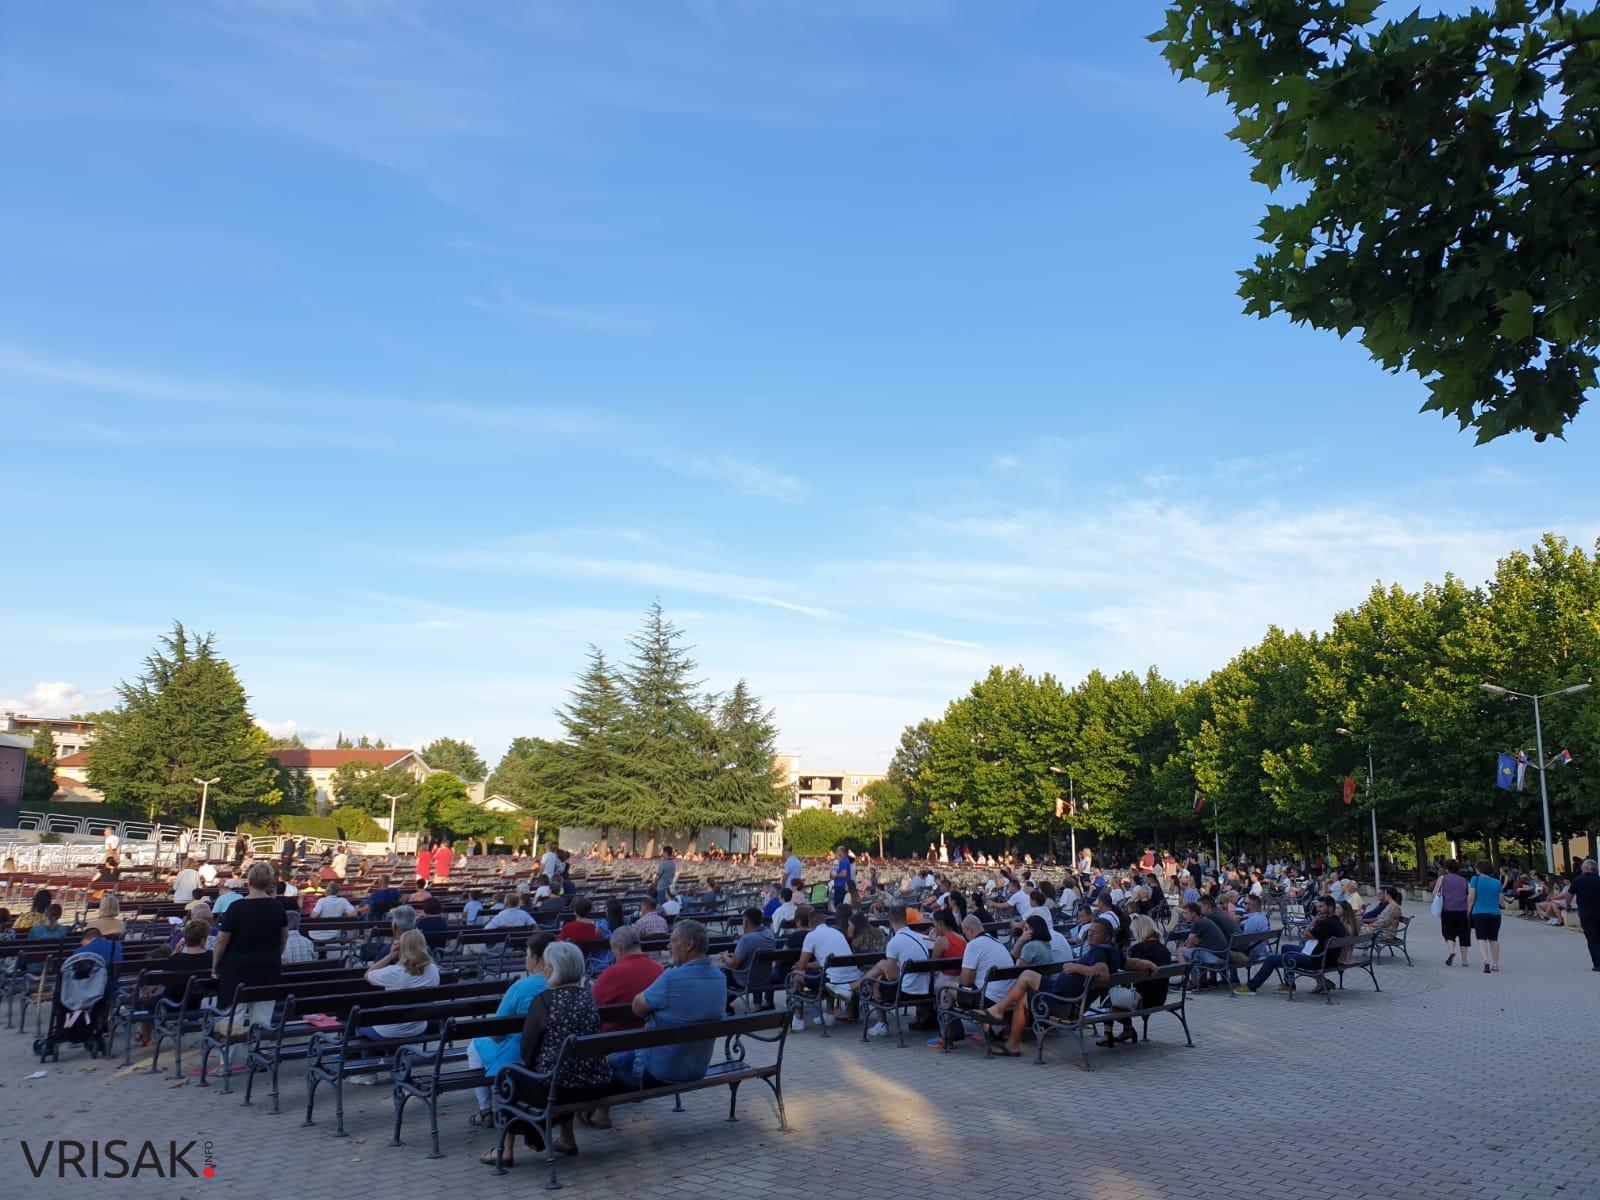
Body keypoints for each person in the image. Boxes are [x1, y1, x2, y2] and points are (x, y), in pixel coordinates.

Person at [484, 942, 613, 1165]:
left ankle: (504, 1150)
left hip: (557, 1088)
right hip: (594, 1083)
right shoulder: (588, 997)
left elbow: (527, 1050)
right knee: (564, 1069)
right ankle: (567, 1137)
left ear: (552, 970)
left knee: (509, 1076)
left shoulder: (544, 1001)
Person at [980, 918, 1122, 1057]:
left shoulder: (1099, 951)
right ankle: (998, 1011)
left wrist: (1075, 967)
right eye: (1090, 930)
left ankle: (1013, 1045)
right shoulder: (1113, 951)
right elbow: (1134, 963)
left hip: (1066, 1004)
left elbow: (1102, 973)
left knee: (1023, 998)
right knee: (1027, 975)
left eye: (1095, 932)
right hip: (1062, 993)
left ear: (1107, 937)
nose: (1090, 934)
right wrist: (1145, 964)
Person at [465, 935, 552, 1131]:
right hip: (548, 1051)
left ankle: (485, 1111)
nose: (526, 959)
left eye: (527, 955)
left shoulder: (520, 987)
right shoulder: (558, 983)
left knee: (474, 1046)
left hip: (517, 1053)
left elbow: (498, 1032)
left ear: (536, 958)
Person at [213, 861, 288, 1027]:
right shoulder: (277, 907)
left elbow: (221, 940)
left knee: (234, 1018)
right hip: (268, 966)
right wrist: (274, 954)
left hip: (237, 967)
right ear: (269, 882)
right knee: (262, 1018)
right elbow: (284, 938)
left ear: (249, 882)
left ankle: (232, 1051)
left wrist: (215, 964)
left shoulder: (236, 908)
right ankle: (258, 1048)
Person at [1236, 896, 1345, 995]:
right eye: (1318, 907)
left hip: (1315, 959)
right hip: (1326, 958)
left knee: (1271, 959)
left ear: (1330, 909)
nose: (1318, 910)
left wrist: (1314, 920)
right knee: (1285, 947)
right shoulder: (1337, 922)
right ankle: (1289, 985)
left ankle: (1251, 987)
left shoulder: (1325, 923)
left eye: (1321, 907)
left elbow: (1305, 935)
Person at [855, 905, 933, 1038]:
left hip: (905, 992)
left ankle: (882, 1024)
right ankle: (856, 985)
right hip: (926, 990)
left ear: (890, 922)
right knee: (882, 966)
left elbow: (891, 977)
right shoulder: (919, 937)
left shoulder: (894, 942)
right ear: (905, 920)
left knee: (876, 982)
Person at [360, 929, 441, 1039]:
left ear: (402, 948)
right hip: (418, 1028)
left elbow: (367, 975)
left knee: (359, 1025)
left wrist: (390, 955)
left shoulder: (395, 972)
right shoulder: (434, 970)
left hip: (388, 1030)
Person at [793, 905, 859, 1029]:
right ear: (823, 921)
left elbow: (801, 966)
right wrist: (808, 965)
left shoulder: (811, 936)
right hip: (851, 978)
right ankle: (829, 1015)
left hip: (832, 982)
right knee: (828, 972)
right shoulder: (836, 932)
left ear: (809, 923)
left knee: (796, 976)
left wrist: (799, 966)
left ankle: (798, 1019)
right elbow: (824, 962)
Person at [592, 926, 665, 1028]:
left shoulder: (610, 975)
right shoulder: (660, 970)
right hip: (654, 1038)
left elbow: (592, 1005)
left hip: (615, 1040)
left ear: (619, 949)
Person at [718, 907, 777, 1010]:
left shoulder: (746, 939)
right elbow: (751, 954)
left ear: (745, 923)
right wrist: (734, 956)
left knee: (722, 971)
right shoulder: (769, 934)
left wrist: (725, 956)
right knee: (756, 968)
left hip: (747, 980)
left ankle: (724, 1004)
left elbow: (734, 965)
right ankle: (757, 1004)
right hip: (765, 977)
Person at [1552, 859, 1600, 971]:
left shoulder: (1578, 880)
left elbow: (1568, 896)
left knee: (1592, 939)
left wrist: (1567, 905)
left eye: (1583, 867)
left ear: (1586, 868)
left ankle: (1598, 964)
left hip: (1586, 914)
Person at [1177, 902, 1230, 982]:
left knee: (1180, 951)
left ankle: (1185, 982)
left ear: (1194, 913)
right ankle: (1202, 981)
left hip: (1217, 957)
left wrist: (1190, 943)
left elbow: (1188, 944)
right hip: (1224, 955)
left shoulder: (1197, 923)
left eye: (1186, 913)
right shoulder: (1205, 920)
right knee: (1196, 951)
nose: (1184, 915)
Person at [1435, 859, 1473, 968]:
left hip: (1447, 910)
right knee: (1464, 934)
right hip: (1462, 910)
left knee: (1448, 933)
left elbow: (1435, 893)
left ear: (1446, 869)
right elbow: (1469, 894)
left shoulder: (1442, 879)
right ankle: (1464, 960)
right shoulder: (1464, 880)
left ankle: (1451, 951)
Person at [1469, 859, 1504, 974]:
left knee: (1481, 938)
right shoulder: (1497, 882)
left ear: (1479, 869)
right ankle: (1496, 964)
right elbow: (1501, 901)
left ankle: (1485, 961)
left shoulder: (1475, 880)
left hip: (1479, 912)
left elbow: (1471, 897)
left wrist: (1467, 911)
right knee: (1494, 939)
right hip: (1495, 913)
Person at [830, 846, 853, 911]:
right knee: (838, 904)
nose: (837, 852)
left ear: (842, 851)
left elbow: (844, 874)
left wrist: (835, 875)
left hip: (841, 885)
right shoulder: (842, 861)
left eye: (838, 851)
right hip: (839, 885)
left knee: (838, 905)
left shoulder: (844, 861)